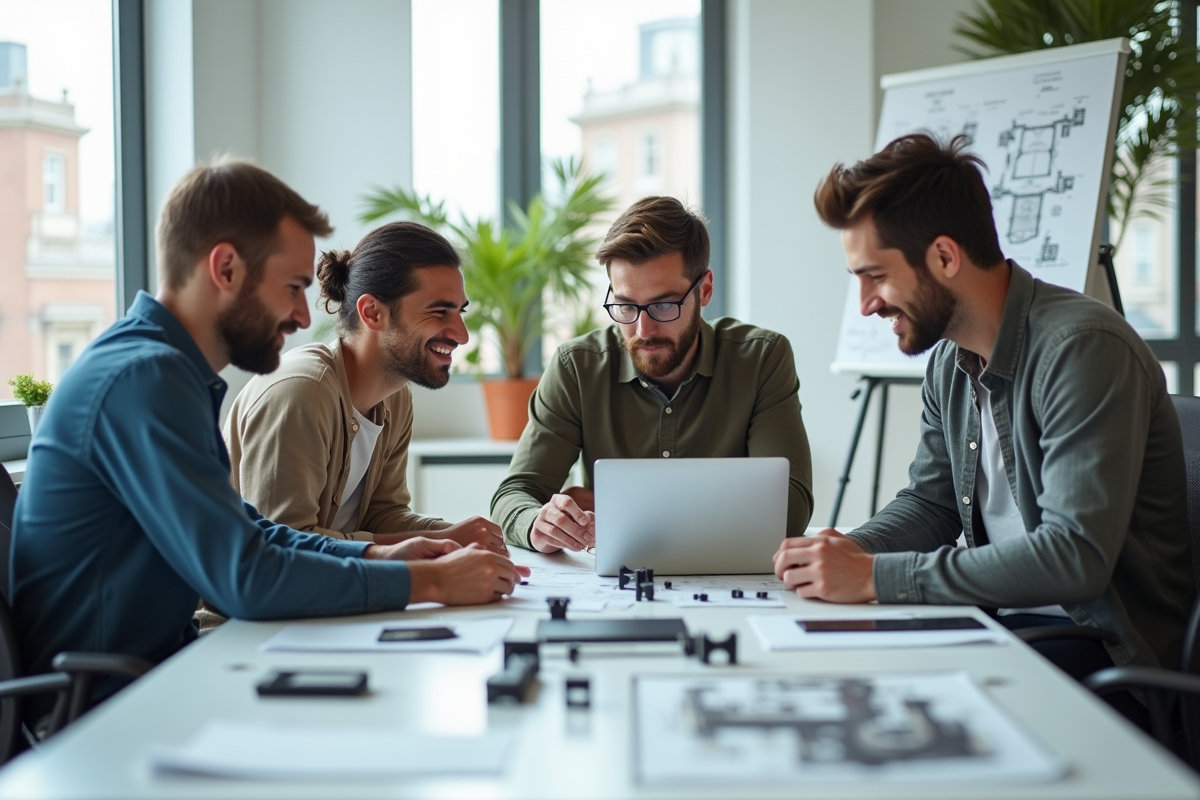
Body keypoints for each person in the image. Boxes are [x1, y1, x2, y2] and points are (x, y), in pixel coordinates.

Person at [10, 161, 528, 712]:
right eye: (292, 288)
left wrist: (385, 557)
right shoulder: (144, 378)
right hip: (105, 707)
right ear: (226, 268)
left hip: (152, 674)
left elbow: (252, 534)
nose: (305, 316)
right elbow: (246, 577)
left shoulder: (166, 373)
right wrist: (429, 583)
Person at [774, 133, 1192, 711]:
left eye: (876, 276)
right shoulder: (950, 359)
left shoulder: (1082, 349)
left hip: (1109, 657)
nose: (866, 303)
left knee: (886, 702)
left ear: (945, 257)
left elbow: (1075, 557)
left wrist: (873, 576)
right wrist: (844, 552)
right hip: (1008, 628)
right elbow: (932, 505)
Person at [492, 196, 814, 552]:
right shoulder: (577, 367)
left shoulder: (761, 359)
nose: (643, 329)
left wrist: (619, 511)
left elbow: (790, 508)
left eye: (664, 305)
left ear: (704, 289)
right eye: (626, 305)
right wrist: (539, 524)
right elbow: (514, 496)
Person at [223, 221, 505, 551]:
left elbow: (382, 516)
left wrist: (458, 534)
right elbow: (282, 550)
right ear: (372, 313)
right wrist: (439, 542)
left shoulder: (395, 398)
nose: (461, 334)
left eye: (459, 311)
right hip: (226, 602)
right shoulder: (303, 392)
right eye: (440, 311)